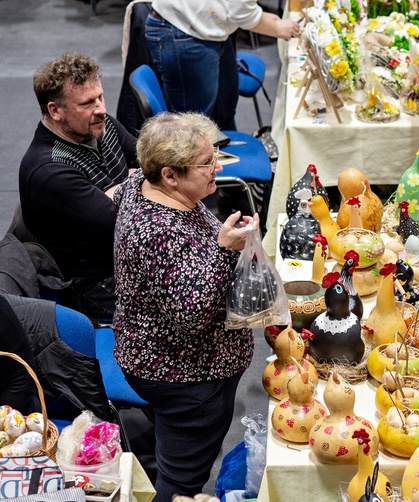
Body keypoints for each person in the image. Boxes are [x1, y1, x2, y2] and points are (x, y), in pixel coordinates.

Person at [112, 112, 257, 501]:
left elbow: (120, 188)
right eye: (207, 163)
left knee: (176, 460)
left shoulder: (141, 184)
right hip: (185, 376)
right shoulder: (158, 231)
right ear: (170, 175)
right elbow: (192, 315)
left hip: (167, 361)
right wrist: (225, 251)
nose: (219, 168)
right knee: (181, 484)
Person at [19, 52, 138, 319]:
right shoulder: (49, 170)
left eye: (100, 97)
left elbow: (151, 162)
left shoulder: (98, 125)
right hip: (95, 286)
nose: (101, 109)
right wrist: (136, 180)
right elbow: (126, 226)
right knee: (190, 307)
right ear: (55, 110)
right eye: (87, 103)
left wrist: (122, 189)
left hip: (127, 258)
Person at [145, 0, 301, 131]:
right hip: (184, 30)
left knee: (223, 114)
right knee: (194, 130)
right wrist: (276, 28)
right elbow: (240, 11)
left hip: (204, 27)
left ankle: (225, 164)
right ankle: (214, 165)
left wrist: (259, 16)